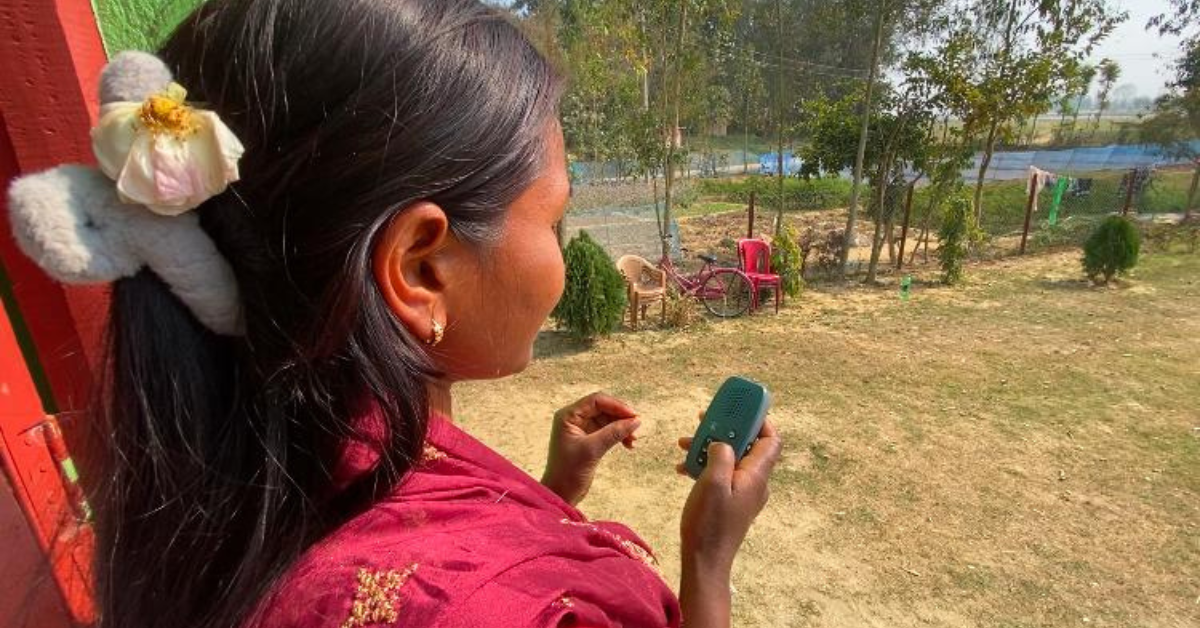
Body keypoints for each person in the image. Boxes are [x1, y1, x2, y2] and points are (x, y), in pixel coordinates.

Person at [6, 1, 781, 627]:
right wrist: (707, 568)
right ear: (419, 269)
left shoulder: (223, 489)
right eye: (554, 220)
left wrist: (547, 491)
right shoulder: (534, 610)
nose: (558, 258)